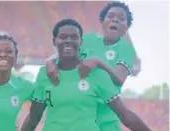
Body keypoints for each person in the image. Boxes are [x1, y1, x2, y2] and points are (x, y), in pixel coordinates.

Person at [21, 19, 151, 131]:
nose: (68, 41)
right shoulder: (45, 74)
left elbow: (124, 114)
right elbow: (33, 118)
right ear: (54, 41)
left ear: (81, 41)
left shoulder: (96, 74)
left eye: (74, 37)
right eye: (63, 37)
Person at [45, 1, 139, 131]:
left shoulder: (125, 48)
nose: (115, 20)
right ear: (102, 21)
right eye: (110, 16)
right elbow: (64, 52)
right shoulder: (89, 39)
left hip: (107, 120)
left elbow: (120, 78)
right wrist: (49, 61)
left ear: (127, 27)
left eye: (121, 19)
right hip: (82, 116)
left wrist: (97, 62)